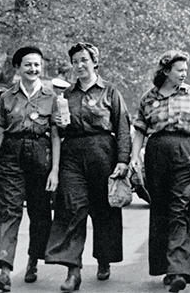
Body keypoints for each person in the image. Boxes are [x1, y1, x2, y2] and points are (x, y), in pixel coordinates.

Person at [45, 42, 131, 291]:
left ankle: (104, 258)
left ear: (94, 62)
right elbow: (57, 131)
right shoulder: (66, 95)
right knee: (72, 208)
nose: (79, 65)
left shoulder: (110, 91)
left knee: (104, 210)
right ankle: (74, 271)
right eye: (75, 61)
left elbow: (122, 128)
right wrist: (59, 123)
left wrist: (123, 161)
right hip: (73, 155)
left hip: (103, 153)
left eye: (84, 60)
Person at [129, 50, 190, 293]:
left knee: (180, 208)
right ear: (166, 71)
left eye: (185, 70)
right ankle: (167, 266)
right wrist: (135, 157)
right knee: (161, 209)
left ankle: (180, 269)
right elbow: (140, 130)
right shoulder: (149, 97)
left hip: (186, 152)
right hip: (156, 153)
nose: (184, 73)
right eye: (179, 70)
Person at [0, 46, 60, 292]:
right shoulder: (7, 97)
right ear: (18, 68)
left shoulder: (51, 97)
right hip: (11, 157)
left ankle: (32, 261)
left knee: (40, 214)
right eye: (28, 64)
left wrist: (55, 171)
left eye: (37, 65)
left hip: (41, 156)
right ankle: (5, 270)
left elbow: (56, 137)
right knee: (10, 212)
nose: (33, 69)